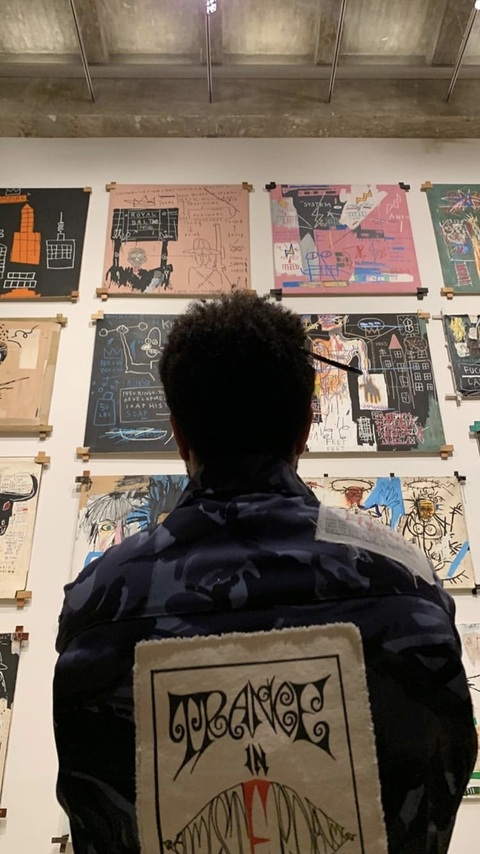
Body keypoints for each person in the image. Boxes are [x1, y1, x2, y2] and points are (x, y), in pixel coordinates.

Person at [54, 292, 476, 854]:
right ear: (305, 427)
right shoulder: (406, 581)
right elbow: (441, 782)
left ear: (178, 433)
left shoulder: (99, 600)